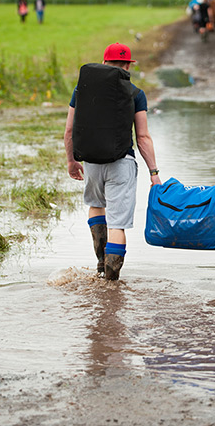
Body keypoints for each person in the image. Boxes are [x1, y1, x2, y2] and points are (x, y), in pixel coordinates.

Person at [63, 43, 161, 280]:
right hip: (122, 163)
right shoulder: (136, 93)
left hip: (92, 162)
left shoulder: (81, 90)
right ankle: (111, 280)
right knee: (117, 223)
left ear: (104, 62)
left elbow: (69, 130)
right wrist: (154, 172)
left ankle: (100, 263)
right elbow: (143, 137)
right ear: (128, 66)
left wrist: (71, 161)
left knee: (96, 206)